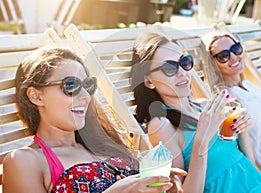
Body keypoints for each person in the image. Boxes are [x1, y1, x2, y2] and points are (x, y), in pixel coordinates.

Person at [130, 32, 261, 193]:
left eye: (185, 63)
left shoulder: (205, 106)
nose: (182, 73)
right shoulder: (161, 125)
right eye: (169, 68)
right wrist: (201, 142)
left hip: (259, 187)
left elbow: (246, 162)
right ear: (149, 81)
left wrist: (243, 131)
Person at [2, 47, 186, 193]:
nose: (85, 96)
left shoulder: (102, 144)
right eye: (71, 86)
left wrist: (156, 183)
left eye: (88, 85)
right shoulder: (24, 161)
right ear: (36, 96)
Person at [200, 31, 261, 182]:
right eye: (223, 56)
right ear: (212, 64)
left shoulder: (249, 85)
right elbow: (244, 151)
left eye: (236, 49)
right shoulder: (227, 98)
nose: (233, 57)